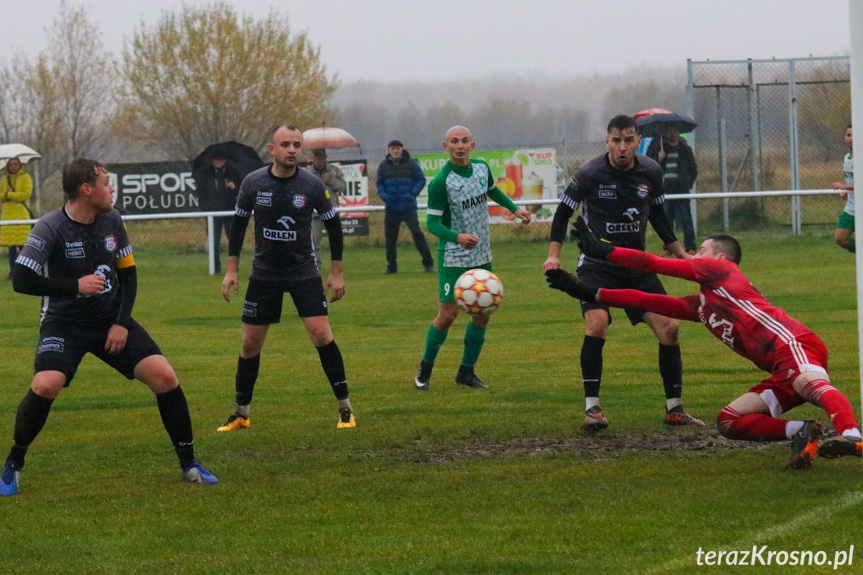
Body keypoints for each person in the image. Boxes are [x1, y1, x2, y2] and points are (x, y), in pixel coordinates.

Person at [547, 219, 863, 469]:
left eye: (701, 250)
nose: (695, 255)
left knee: (810, 383)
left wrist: (605, 251)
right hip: (780, 368)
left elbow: (654, 263)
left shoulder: (722, 269)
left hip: (793, 345)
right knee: (728, 421)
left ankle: (853, 437)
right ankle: (802, 431)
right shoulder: (703, 304)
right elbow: (647, 299)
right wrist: (587, 292)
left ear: (720, 257)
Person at [0, 158, 218, 497]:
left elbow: (128, 276)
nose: (111, 189)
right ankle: (13, 463)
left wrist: (119, 324)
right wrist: (75, 286)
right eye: (106, 182)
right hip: (64, 323)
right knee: (46, 385)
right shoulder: (50, 226)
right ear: (87, 190)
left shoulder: (113, 220)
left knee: (165, 377)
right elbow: (22, 280)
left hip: (108, 320)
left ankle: (189, 463)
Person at [542, 114, 703, 431]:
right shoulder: (590, 173)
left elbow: (658, 215)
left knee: (669, 328)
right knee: (597, 323)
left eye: (629, 140)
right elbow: (562, 214)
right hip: (597, 266)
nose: (623, 147)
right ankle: (593, 409)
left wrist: (681, 253)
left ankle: (675, 409)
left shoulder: (651, 171)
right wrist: (553, 255)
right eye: (616, 141)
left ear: (636, 141)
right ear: (607, 142)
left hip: (637, 267)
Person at [218, 124, 356, 431]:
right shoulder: (253, 183)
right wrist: (231, 269)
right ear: (272, 149)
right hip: (264, 275)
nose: (292, 150)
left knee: (321, 335)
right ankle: (241, 412)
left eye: (297, 144)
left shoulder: (310, 185)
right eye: (286, 144)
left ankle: (345, 407)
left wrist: (336, 273)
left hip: (303, 273)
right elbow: (238, 226)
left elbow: (334, 226)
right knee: (250, 343)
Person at [414, 125, 531, 390]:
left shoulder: (480, 168)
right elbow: (432, 224)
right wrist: (458, 237)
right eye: (454, 141)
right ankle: (425, 369)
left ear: (472, 145)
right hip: (454, 256)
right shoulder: (441, 183)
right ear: (446, 147)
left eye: (465, 141)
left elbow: (493, 191)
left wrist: (515, 208)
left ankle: (466, 372)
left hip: (482, 254)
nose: (460, 145)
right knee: (447, 315)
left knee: (482, 313)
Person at [376, 139, 434, 274]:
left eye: (398, 148)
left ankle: (428, 263)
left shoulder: (411, 164)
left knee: (417, 234)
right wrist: (385, 197)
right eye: (393, 148)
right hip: (391, 207)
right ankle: (392, 267)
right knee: (390, 238)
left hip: (408, 206)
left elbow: (421, 179)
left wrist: (412, 194)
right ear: (388, 150)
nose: (395, 151)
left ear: (402, 150)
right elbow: (379, 183)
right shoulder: (383, 166)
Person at [645, 124, 698, 255]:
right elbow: (653, 169)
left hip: (681, 190)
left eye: (674, 131)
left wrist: (687, 184)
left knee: (686, 220)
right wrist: (659, 159)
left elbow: (693, 169)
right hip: (666, 190)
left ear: (679, 133)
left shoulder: (685, 150)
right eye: (669, 131)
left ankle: (690, 246)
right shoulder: (661, 150)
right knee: (667, 220)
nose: (672, 134)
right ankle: (668, 248)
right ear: (666, 134)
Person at [196, 148, 242, 273]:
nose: (219, 162)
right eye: (216, 160)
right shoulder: (206, 174)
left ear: (225, 160)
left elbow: (242, 190)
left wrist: (234, 188)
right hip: (212, 214)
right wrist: (205, 210)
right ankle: (215, 268)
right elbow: (201, 194)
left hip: (230, 213)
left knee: (233, 242)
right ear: (212, 161)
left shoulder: (232, 172)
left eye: (221, 160)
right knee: (214, 243)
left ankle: (233, 267)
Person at [304, 148, 346, 265]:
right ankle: (316, 262)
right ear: (313, 158)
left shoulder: (334, 171)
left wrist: (331, 181)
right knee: (314, 238)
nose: (319, 160)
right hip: (315, 211)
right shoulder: (308, 172)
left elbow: (343, 187)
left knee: (336, 238)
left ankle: (337, 261)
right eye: (317, 157)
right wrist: (318, 182)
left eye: (321, 157)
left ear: (325, 157)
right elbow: (304, 190)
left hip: (331, 209)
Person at [0, 157, 34, 280]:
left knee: (23, 246)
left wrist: (8, 195)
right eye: (11, 165)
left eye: (15, 164)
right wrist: (6, 196)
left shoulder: (26, 178)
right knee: (11, 247)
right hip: (8, 216)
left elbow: (25, 194)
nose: (13, 167)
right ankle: (12, 272)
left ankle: (26, 271)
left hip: (21, 214)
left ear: (20, 165)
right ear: (7, 166)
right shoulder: (4, 180)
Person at [831, 124, 854, 253]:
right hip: (851, 208)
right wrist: (846, 190)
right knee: (840, 238)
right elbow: (852, 180)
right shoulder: (847, 158)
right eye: (848, 135)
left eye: (854, 135)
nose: (851, 138)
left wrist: (844, 186)